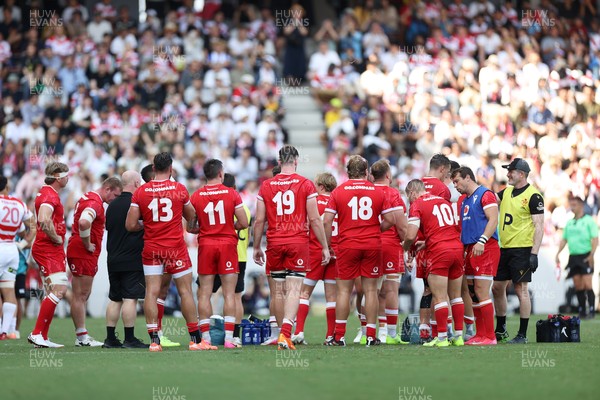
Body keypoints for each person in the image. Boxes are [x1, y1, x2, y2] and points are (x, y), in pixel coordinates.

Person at [253, 145, 330, 350]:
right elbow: (314, 218)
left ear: (279, 162)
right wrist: (324, 246)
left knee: (277, 291)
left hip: (275, 242)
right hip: (297, 242)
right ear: (296, 161)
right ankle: (286, 334)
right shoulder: (305, 184)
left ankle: (280, 334)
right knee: (294, 289)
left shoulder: (266, 185)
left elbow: (259, 220)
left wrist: (256, 246)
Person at [126, 152, 205, 352]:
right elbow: (192, 216)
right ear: (171, 168)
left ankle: (154, 341)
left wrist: (148, 227)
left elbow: (130, 224)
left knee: (151, 292)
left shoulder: (141, 191)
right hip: (175, 247)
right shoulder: (179, 189)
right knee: (185, 291)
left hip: (152, 247)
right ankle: (195, 340)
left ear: (153, 168)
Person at [323, 155, 396, 346]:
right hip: (372, 245)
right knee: (371, 290)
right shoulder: (377, 191)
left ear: (348, 173)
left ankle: (338, 336)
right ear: (366, 172)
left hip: (347, 245)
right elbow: (390, 220)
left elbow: (326, 221)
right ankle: (371, 336)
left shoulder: (338, 192)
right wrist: (374, 230)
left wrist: (328, 245)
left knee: (343, 291)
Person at [189, 159, 249, 349]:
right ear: (221, 174)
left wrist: (206, 228)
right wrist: (228, 227)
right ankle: (230, 339)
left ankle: (205, 338)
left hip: (206, 245)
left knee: (204, 293)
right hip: (227, 245)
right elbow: (244, 222)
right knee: (230, 293)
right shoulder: (232, 194)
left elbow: (190, 227)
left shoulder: (196, 196)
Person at [403, 179, 465, 347]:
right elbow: (448, 228)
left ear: (412, 193)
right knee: (456, 296)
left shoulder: (417, 204)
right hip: (456, 248)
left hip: (440, 251)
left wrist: (404, 250)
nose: (409, 201)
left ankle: (443, 338)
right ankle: (458, 337)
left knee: (438, 296)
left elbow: (410, 235)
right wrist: (428, 242)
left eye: (408, 197)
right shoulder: (443, 200)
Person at [492, 158, 544, 344]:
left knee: (521, 289)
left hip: (522, 249)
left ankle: (522, 334)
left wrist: (534, 254)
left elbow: (539, 226)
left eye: (511, 171)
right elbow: (488, 201)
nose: (507, 174)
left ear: (521, 174)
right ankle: (501, 329)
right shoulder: (506, 192)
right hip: (504, 248)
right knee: (497, 287)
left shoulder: (533, 196)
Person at [67, 177, 123, 347]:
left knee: (83, 294)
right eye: (115, 195)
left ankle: (82, 335)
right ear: (107, 189)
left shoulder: (89, 197)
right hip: (82, 252)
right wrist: (87, 243)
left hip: (81, 251)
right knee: (81, 294)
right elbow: (84, 222)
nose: (115, 199)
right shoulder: (95, 202)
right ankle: (82, 337)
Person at [451, 166, 500, 345]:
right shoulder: (463, 200)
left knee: (481, 291)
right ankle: (480, 334)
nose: (455, 185)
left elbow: (493, 219)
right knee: (472, 293)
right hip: (469, 248)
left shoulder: (485, 194)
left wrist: (482, 240)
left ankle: (490, 336)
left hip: (485, 247)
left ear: (468, 178)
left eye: (457, 181)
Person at [103, 170, 148, 349]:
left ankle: (110, 338)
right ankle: (129, 338)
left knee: (115, 299)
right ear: (137, 183)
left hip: (113, 258)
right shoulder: (136, 203)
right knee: (130, 298)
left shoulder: (112, 205)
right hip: (132, 258)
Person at [292, 172, 339, 345]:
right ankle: (330, 336)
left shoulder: (313, 202)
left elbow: (306, 224)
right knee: (332, 297)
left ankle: (299, 332)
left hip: (315, 251)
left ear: (320, 186)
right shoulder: (338, 202)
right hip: (336, 252)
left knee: (304, 293)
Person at [28, 162, 70, 348]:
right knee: (60, 290)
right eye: (66, 174)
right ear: (57, 176)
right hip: (48, 249)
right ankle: (37, 333)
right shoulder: (49, 195)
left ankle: (41, 336)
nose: (68, 177)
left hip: (48, 248)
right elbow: (44, 220)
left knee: (51, 292)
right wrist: (56, 238)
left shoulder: (47, 193)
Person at [210, 173, 251, 346]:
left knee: (206, 292)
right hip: (240, 256)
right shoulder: (245, 209)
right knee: (235, 296)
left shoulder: (223, 206)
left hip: (221, 253)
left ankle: (209, 330)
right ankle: (234, 334)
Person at [371, 159, 408, 345]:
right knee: (391, 289)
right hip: (391, 245)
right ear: (388, 175)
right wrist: (407, 247)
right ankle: (392, 334)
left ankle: (368, 332)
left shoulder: (366, 192)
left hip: (369, 244)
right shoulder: (393, 194)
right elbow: (401, 226)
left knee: (371, 291)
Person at [417, 153, 452, 342]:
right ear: (442, 169)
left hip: (420, 246)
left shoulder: (417, 185)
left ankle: (423, 329)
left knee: (426, 289)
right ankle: (440, 330)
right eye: (446, 172)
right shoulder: (442, 189)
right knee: (441, 292)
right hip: (437, 244)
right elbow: (444, 220)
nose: (446, 176)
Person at [0, 176, 36, 340]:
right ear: (6, 187)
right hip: (12, 250)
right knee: (8, 291)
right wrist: (24, 243)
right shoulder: (18, 203)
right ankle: (5, 331)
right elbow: (34, 224)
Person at [555, 194, 598, 318]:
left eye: (574, 205)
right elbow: (564, 240)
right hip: (573, 257)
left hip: (586, 255)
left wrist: (592, 255)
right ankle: (582, 311)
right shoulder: (569, 223)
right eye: (571, 205)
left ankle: (591, 311)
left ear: (581, 206)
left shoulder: (589, 221)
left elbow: (595, 239)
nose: (572, 207)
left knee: (587, 284)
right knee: (578, 285)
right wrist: (558, 253)